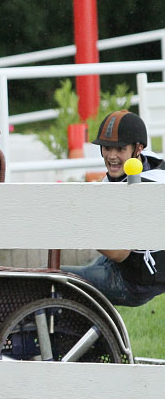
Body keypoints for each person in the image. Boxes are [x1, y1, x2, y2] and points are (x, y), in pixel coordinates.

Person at [61, 110, 165, 306]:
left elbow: (119, 252)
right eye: (107, 148)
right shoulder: (146, 162)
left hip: (136, 280)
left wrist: (75, 223)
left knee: (54, 278)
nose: (111, 156)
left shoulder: (145, 186)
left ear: (138, 149)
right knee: (55, 275)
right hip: (127, 265)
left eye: (120, 149)